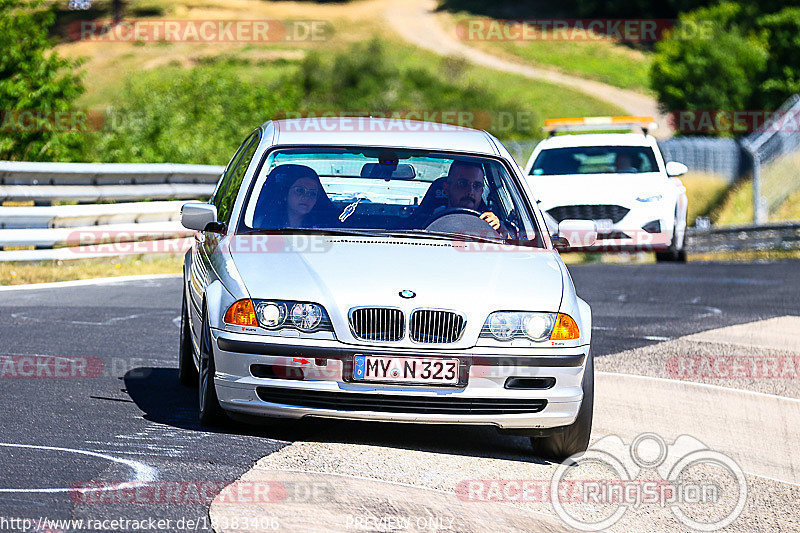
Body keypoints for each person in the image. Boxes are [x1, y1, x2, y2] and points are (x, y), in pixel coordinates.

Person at [252, 164, 334, 229]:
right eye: (300, 190)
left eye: (312, 193)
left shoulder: (326, 227)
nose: (306, 197)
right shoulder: (261, 224)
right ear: (286, 194)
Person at [441, 160, 502, 230]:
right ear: (446, 189)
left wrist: (499, 230)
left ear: (482, 191)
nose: (470, 191)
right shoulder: (430, 218)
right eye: (463, 184)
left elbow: (510, 239)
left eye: (477, 185)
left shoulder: (489, 222)